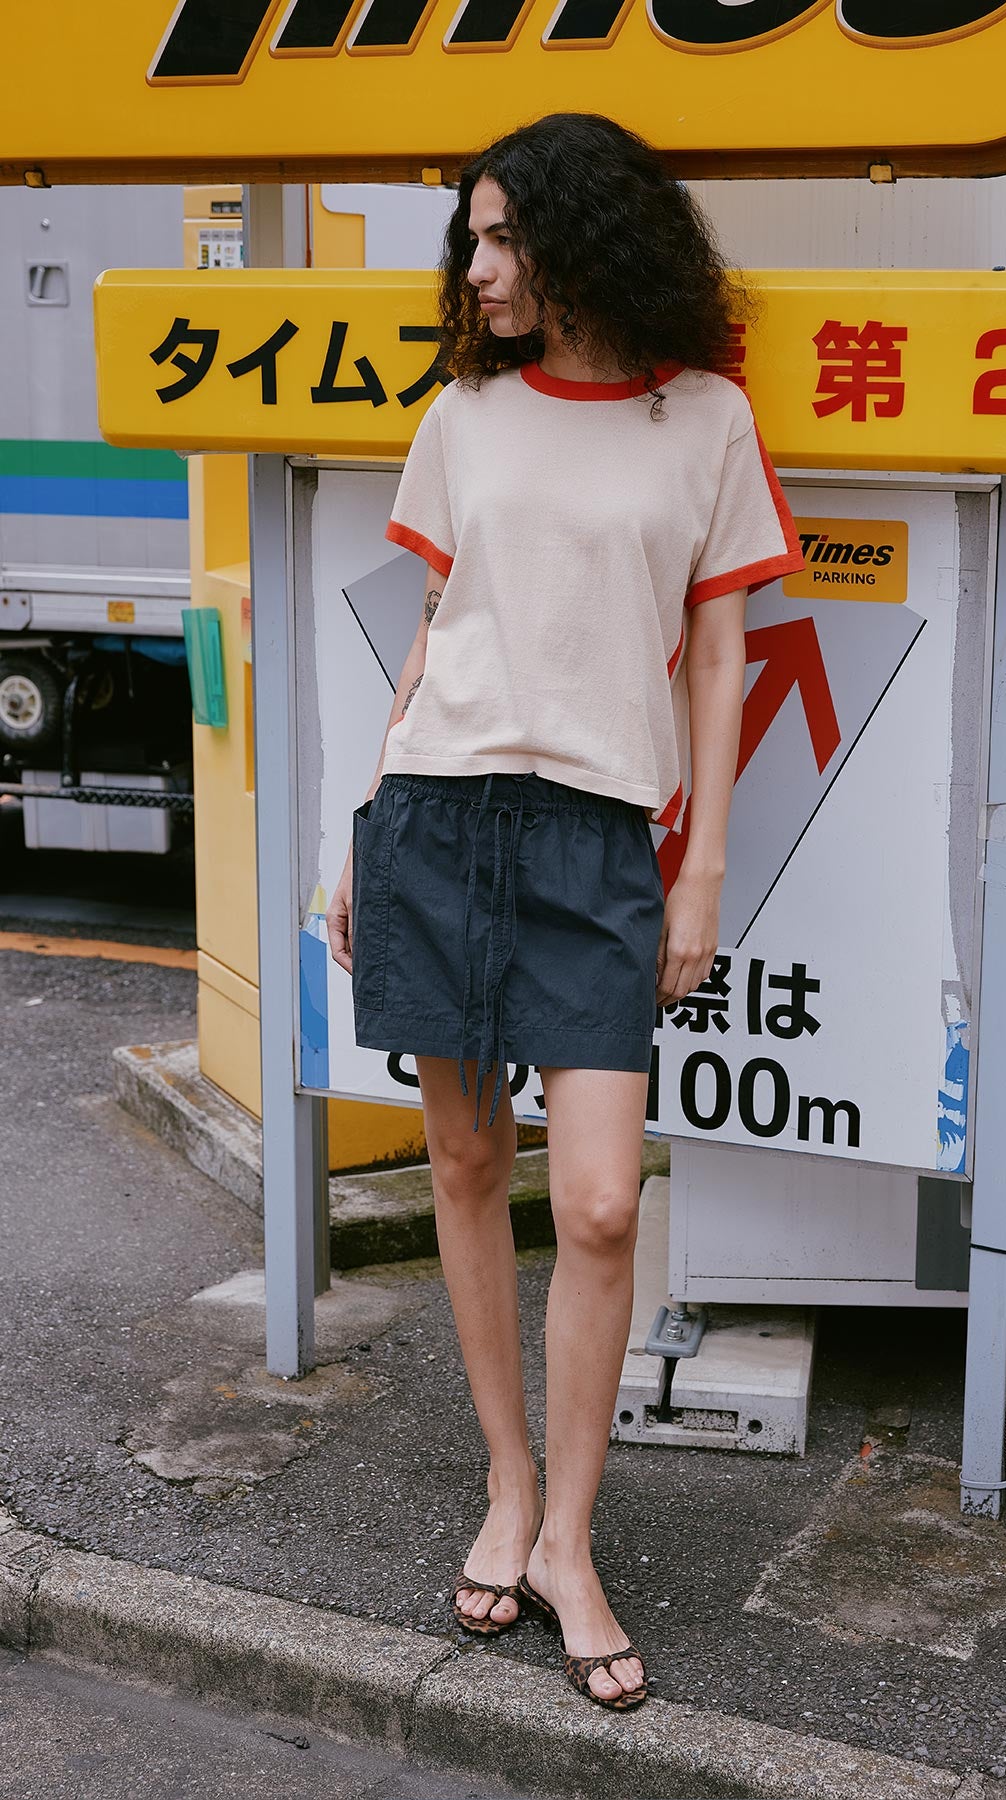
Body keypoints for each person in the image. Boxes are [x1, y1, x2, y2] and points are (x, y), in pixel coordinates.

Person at [327, 111, 805, 1712]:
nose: (481, 268)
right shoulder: (465, 414)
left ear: (590, 237)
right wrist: (360, 828)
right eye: (472, 239)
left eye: (505, 237)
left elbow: (728, 658)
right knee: (468, 1162)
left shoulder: (707, 420)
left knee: (598, 1200)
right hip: (438, 811)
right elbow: (436, 630)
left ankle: (574, 1541)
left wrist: (707, 865)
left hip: (603, 840)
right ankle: (511, 1491)